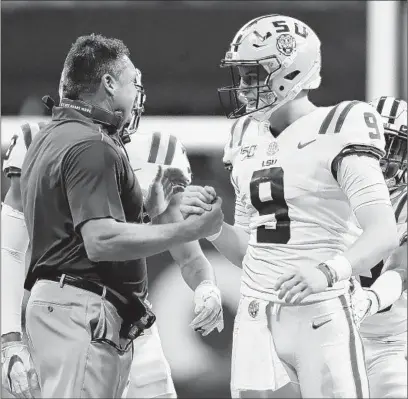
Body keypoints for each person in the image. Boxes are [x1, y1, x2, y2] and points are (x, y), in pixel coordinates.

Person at [182, 14, 399, 398]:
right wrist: (213, 227)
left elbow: (383, 233)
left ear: (290, 69)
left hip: (322, 311)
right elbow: (254, 251)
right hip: (255, 315)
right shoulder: (244, 136)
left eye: (253, 75)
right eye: (242, 76)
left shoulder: (341, 125)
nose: (244, 87)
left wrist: (328, 273)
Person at [1, 34, 223, 399]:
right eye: (131, 83)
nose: (136, 96)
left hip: (128, 325)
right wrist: (9, 338)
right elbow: (13, 249)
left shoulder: (138, 150)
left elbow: (186, 255)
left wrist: (206, 286)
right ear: (107, 85)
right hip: (76, 315)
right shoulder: (76, 145)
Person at [350, 97, 407, 398]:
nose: (384, 158)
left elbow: (402, 265)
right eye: (377, 144)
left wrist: (369, 299)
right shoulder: (330, 193)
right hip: (329, 336)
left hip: (391, 343)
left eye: (394, 146)